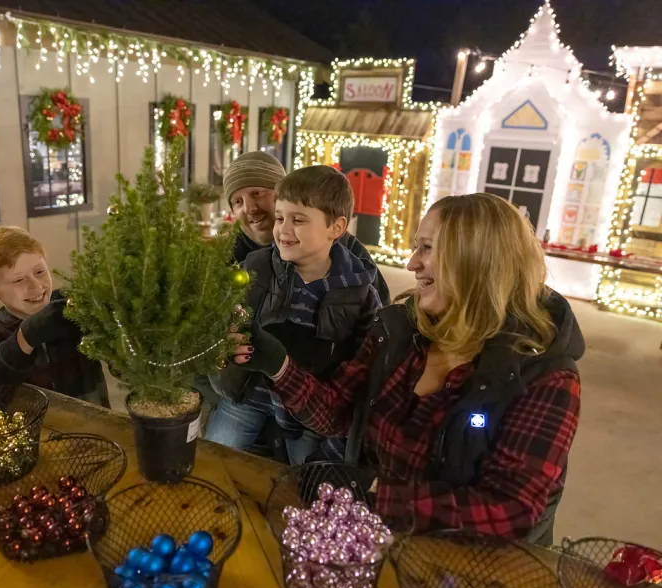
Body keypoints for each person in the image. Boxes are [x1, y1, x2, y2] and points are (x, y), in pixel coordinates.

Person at [230, 193, 584, 544]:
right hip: (371, 536)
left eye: (426, 248)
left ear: (477, 261)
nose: (412, 263)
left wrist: (373, 492)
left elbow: (510, 510)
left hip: (466, 564)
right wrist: (278, 364)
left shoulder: (544, 375)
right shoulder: (398, 331)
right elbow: (336, 412)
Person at [206, 166, 382, 465]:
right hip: (249, 396)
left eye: (298, 220)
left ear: (335, 228)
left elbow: (359, 370)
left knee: (306, 485)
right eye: (280, 217)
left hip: (308, 416)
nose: (283, 230)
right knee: (213, 461)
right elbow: (226, 313)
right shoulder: (255, 266)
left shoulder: (360, 293)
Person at [0, 226, 108, 406]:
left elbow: (128, 368)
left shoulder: (74, 308)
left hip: (95, 428)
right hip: (35, 431)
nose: (37, 287)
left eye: (40, 272)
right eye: (18, 280)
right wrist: (25, 337)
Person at [223, 151, 391, 304]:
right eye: (238, 202)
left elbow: (380, 313)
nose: (249, 208)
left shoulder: (347, 250)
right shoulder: (229, 257)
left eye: (257, 193)